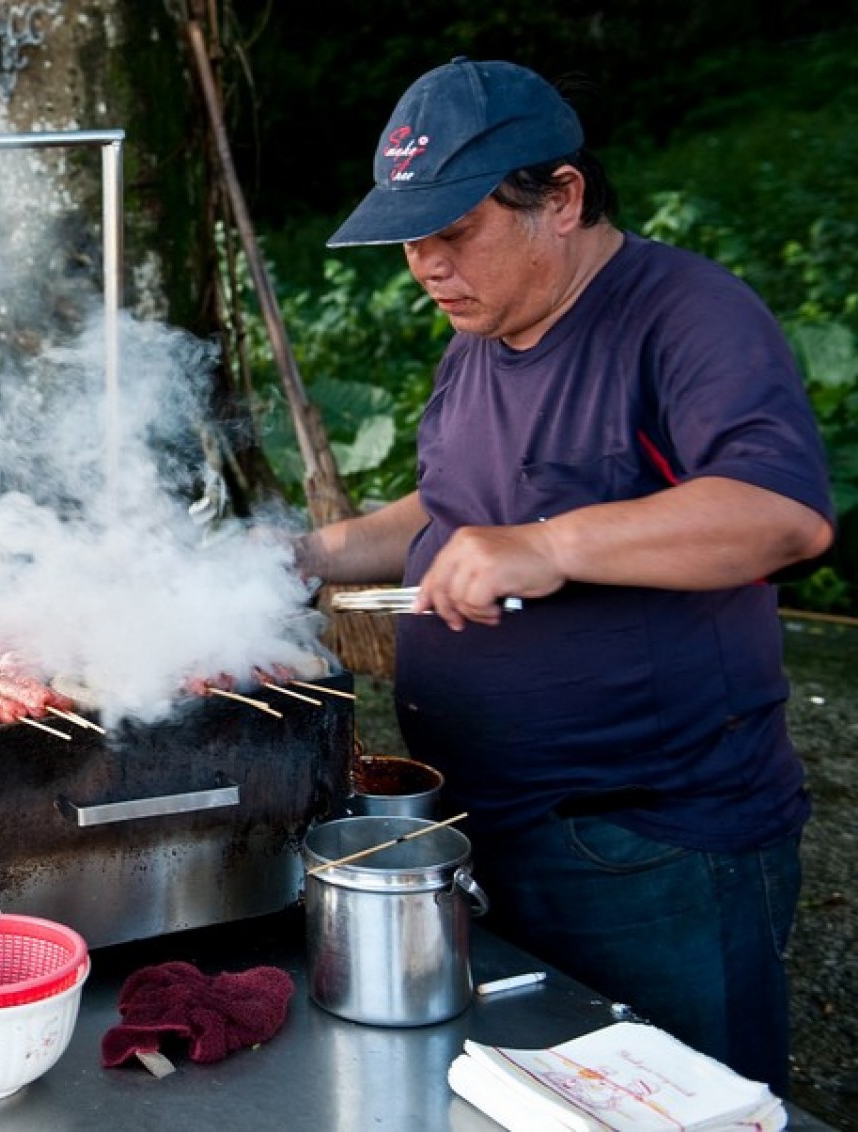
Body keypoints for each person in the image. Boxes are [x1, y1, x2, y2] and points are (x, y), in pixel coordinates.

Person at [299, 58, 835, 1093]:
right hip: (485, 828)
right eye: (411, 239)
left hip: (652, 850)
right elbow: (449, 508)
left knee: (685, 1109)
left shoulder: (684, 316)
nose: (426, 265)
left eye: (454, 232)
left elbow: (780, 516)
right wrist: (316, 553)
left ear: (562, 197)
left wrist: (551, 544)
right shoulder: (480, 338)